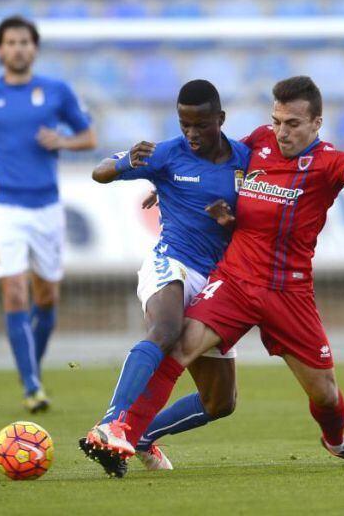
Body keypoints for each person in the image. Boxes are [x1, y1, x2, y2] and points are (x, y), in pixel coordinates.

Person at [88, 76, 344, 475]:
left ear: (316, 123)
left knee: (326, 395)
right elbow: (216, 161)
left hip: (289, 293)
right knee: (177, 348)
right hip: (235, 280)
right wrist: (174, 188)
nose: (281, 132)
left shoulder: (327, 162)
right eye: (277, 120)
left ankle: (336, 442)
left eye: (293, 124)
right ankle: (120, 432)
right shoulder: (259, 141)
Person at [78, 80, 249, 477]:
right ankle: (112, 423)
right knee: (166, 328)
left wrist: (232, 220)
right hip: (172, 263)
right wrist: (127, 163)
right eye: (184, 124)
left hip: (218, 282)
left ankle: (138, 436)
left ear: (220, 120)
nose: (191, 134)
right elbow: (98, 172)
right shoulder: (165, 153)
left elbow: (259, 213)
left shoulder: (245, 159)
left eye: (201, 125)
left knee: (221, 402)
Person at [0, 16, 96, 412]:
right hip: (3, 206)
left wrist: (63, 140)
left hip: (47, 207)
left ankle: (31, 370)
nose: (19, 48)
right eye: (11, 42)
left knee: (47, 295)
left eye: (25, 41)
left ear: (34, 48)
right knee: (15, 290)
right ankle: (31, 386)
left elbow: (89, 137)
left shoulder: (55, 91)